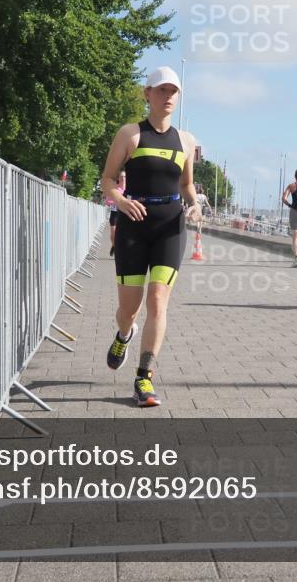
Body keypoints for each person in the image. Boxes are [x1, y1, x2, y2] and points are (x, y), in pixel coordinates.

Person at [100, 66, 202, 407]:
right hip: (133, 227)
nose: (168, 96)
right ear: (147, 94)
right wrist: (121, 201)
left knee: (158, 299)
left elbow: (187, 184)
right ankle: (123, 334)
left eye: (173, 91)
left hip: (170, 227)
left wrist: (195, 206)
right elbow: (108, 180)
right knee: (129, 309)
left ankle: (144, 378)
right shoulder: (131, 134)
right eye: (161, 90)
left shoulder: (186, 140)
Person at [106, 170, 125, 257]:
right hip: (114, 213)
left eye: (124, 177)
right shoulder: (114, 189)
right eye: (121, 177)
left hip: (124, 214)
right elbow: (108, 201)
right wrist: (117, 201)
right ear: (118, 178)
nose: (123, 178)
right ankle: (114, 245)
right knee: (113, 234)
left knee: (122, 234)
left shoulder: (129, 189)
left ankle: (119, 250)